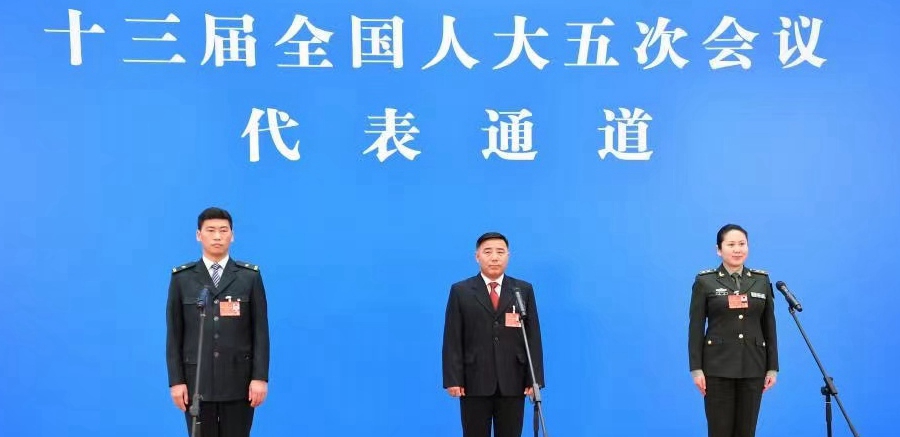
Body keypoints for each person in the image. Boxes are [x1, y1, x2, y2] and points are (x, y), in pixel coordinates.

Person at [166, 207, 270, 437]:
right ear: (198, 235)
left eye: (223, 230)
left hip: (239, 381)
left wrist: (260, 378)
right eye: (210, 230)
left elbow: (260, 332)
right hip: (196, 383)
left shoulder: (249, 277)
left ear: (232, 235)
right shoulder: (182, 279)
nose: (217, 236)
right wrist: (176, 381)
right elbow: (174, 335)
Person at [442, 232, 545, 437]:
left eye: (500, 252)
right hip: (473, 381)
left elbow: (533, 337)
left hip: (513, 381)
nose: (494, 257)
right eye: (488, 252)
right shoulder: (461, 291)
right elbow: (452, 337)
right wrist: (453, 378)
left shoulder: (522, 290)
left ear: (508, 256)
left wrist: (535, 379)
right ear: (477, 256)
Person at [688, 224, 779, 437]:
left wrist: (772, 367)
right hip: (717, 368)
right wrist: (696, 369)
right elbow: (696, 327)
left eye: (742, 244)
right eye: (731, 244)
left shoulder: (761, 280)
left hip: (753, 366)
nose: (737, 249)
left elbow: (769, 326)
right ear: (719, 249)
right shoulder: (705, 281)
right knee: (719, 431)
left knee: (747, 431)